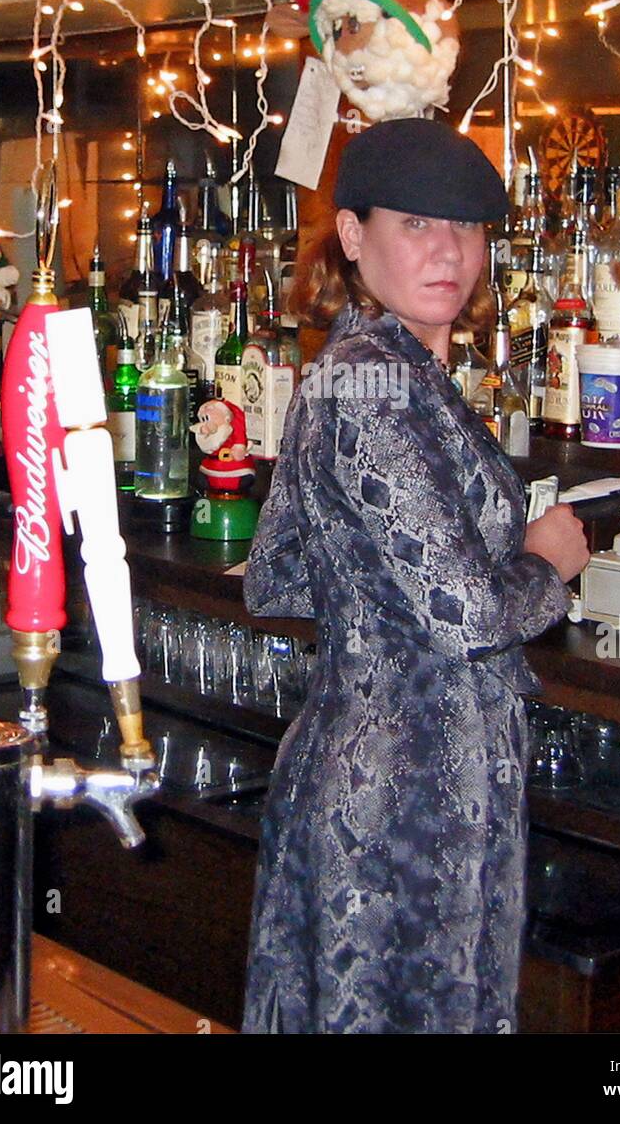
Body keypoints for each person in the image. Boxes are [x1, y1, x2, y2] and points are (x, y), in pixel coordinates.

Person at [240, 118, 590, 1034]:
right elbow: (471, 612)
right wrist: (544, 562)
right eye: (418, 226)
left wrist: (376, 585)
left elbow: (275, 576)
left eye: (468, 229)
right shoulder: (372, 385)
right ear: (353, 238)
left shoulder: (379, 373)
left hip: (391, 770)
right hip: (406, 802)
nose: (450, 251)